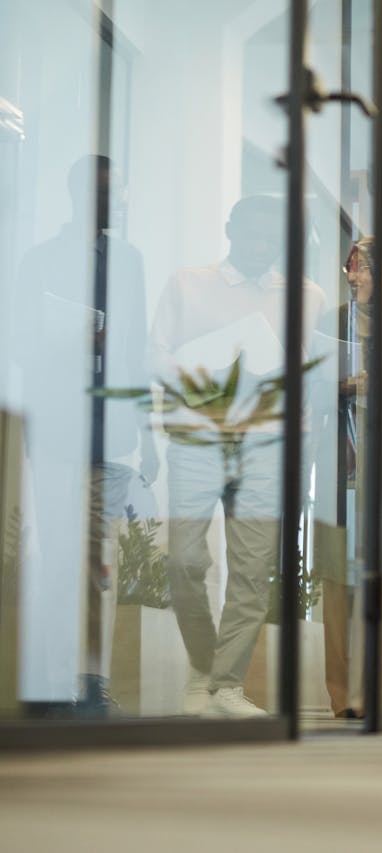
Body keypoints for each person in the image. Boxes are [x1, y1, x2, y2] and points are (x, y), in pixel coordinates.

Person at [148, 195, 326, 718]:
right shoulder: (188, 283)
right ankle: (205, 667)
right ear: (231, 228)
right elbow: (156, 353)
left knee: (251, 571)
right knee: (184, 560)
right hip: (200, 438)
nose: (263, 243)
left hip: (269, 445)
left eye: (274, 235)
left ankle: (226, 686)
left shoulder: (305, 295)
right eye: (254, 231)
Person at [13, 154, 155, 715]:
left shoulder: (130, 260)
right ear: (81, 195)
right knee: (57, 558)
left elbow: (137, 349)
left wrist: (149, 432)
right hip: (54, 428)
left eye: (120, 192)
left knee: (100, 561)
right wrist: (73, 341)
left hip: (110, 428)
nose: (117, 202)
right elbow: (19, 342)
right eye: (107, 193)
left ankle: (91, 678)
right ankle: (51, 683)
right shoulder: (40, 260)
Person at [312, 237, 382, 719]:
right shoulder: (329, 321)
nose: (356, 276)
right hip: (342, 457)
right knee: (338, 582)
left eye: (367, 268)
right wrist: (344, 386)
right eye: (351, 267)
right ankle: (340, 697)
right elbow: (307, 384)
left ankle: (373, 695)